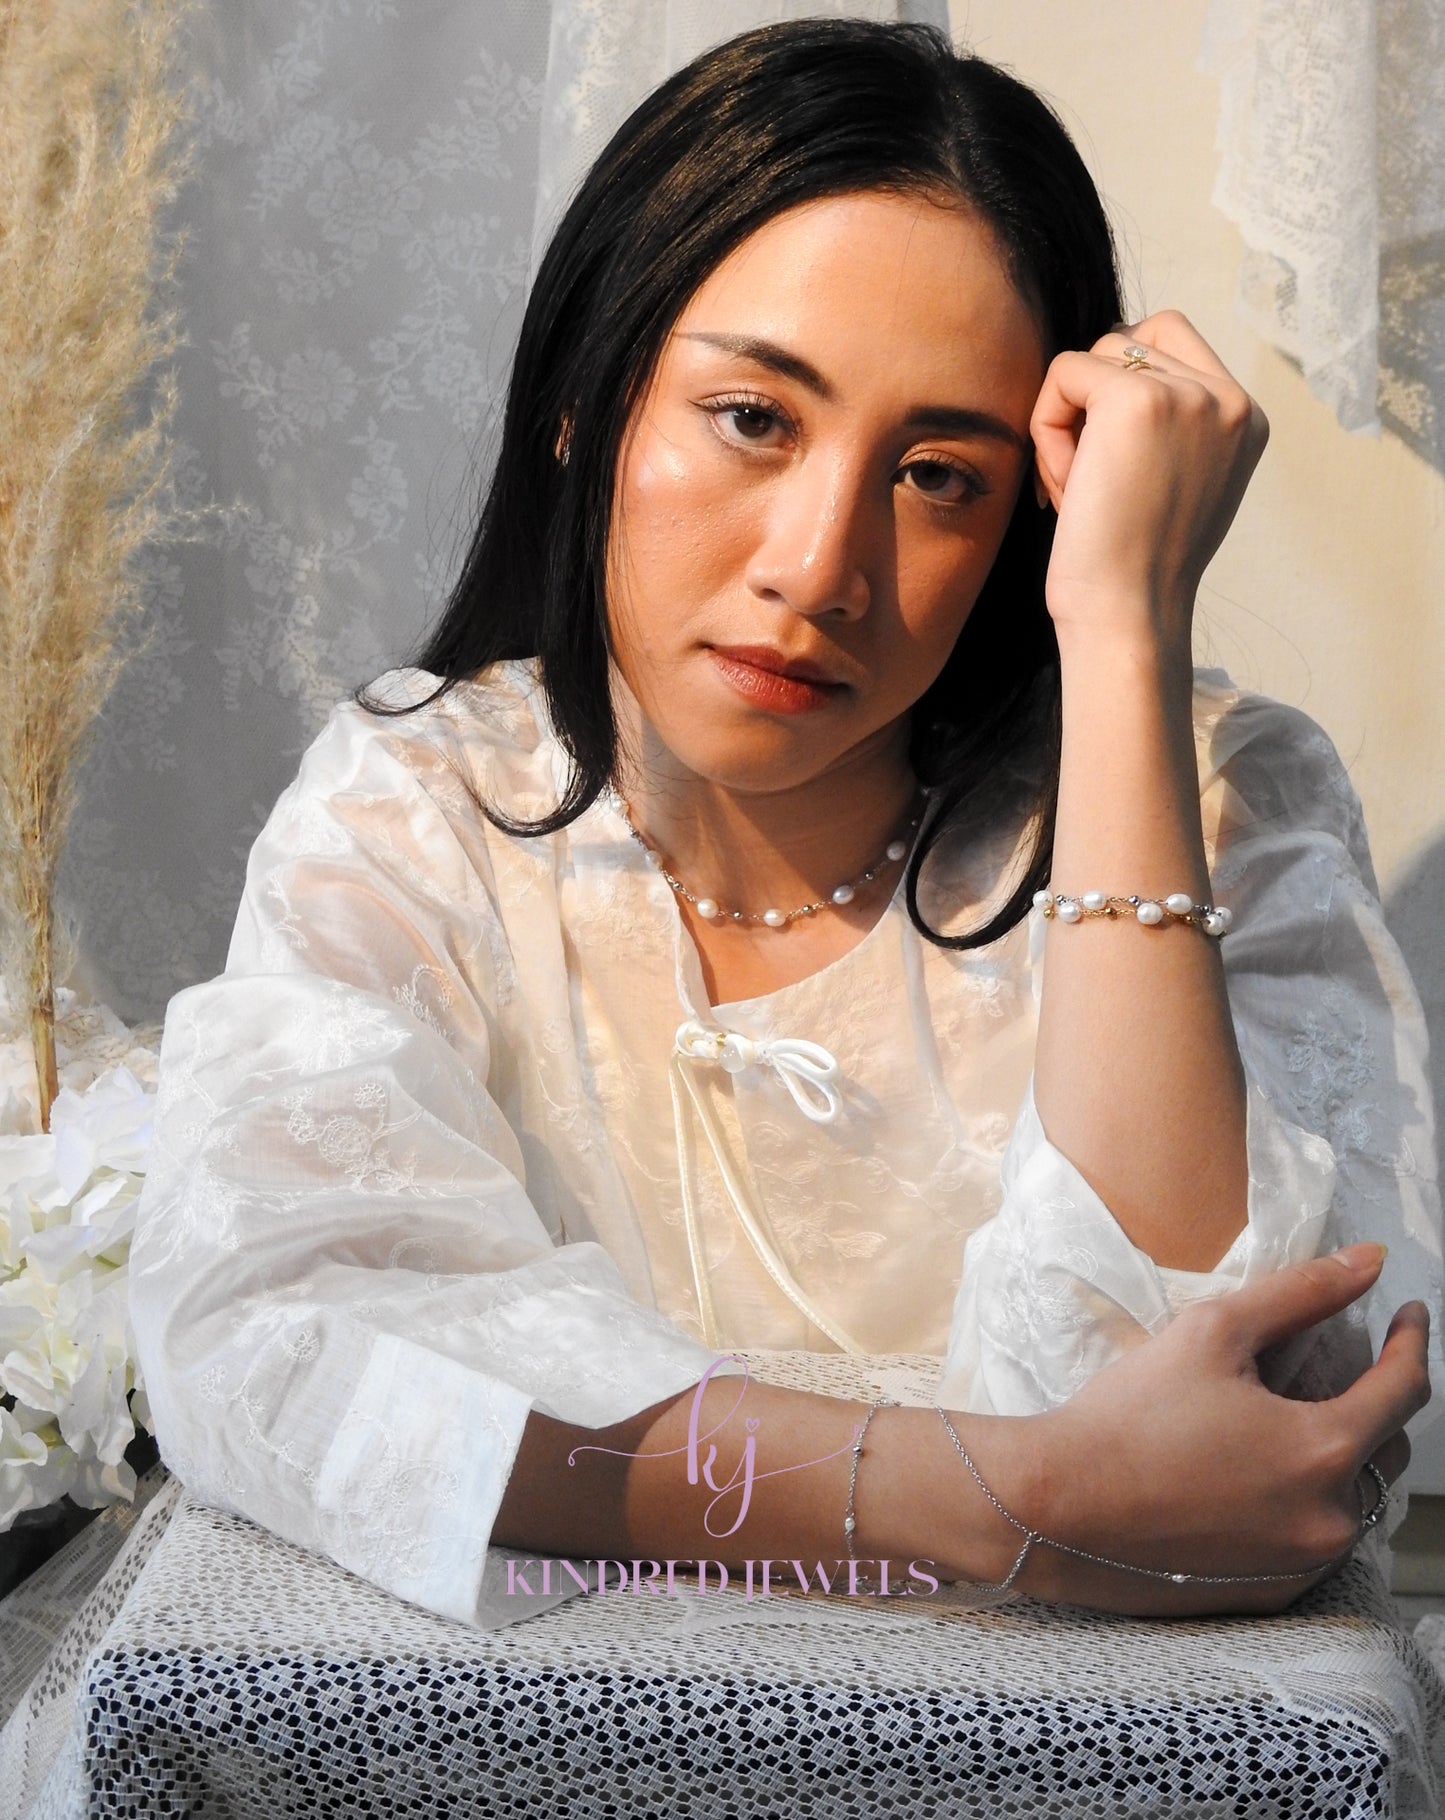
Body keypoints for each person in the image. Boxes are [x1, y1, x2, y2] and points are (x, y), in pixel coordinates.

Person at [131, 19, 1438, 1627]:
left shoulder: (1221, 799)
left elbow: (1202, 1442)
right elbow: (279, 1347)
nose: (819, 568)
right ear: (582, 402)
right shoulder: (421, 811)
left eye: (939, 475)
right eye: (754, 417)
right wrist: (1001, 1499)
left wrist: (1120, 631)